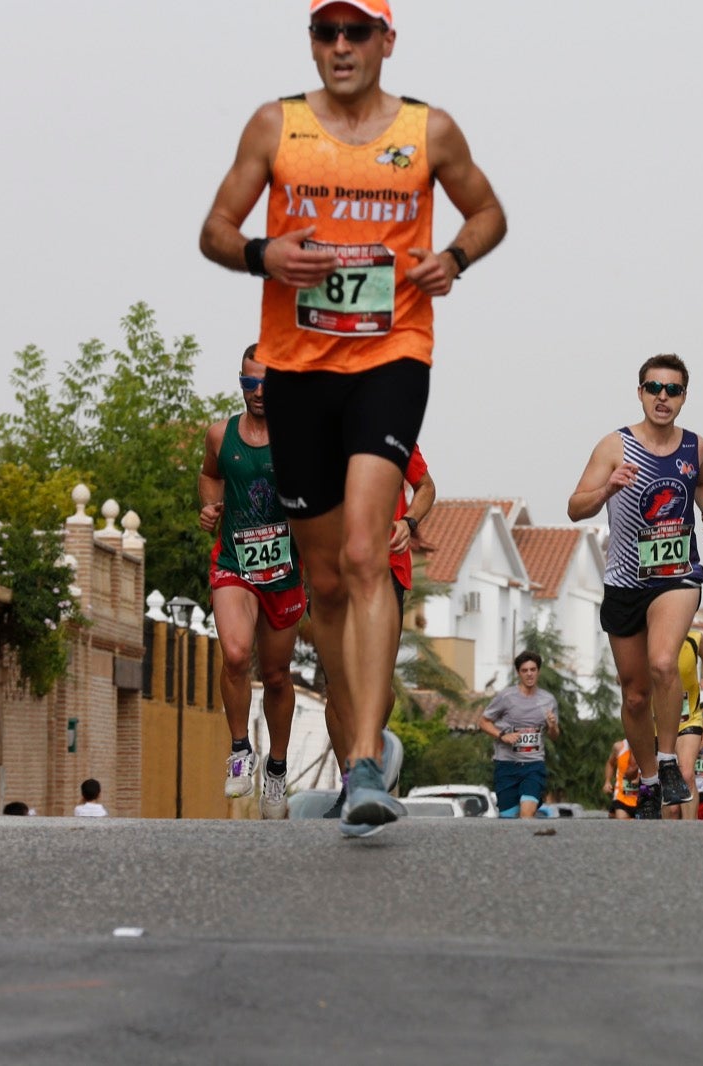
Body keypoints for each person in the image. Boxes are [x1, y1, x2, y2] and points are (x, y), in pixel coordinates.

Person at [199, 0, 506, 837]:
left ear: (385, 42)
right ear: (313, 42)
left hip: (391, 356)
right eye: (326, 32)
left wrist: (453, 258)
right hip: (297, 369)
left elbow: (489, 212)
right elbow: (215, 231)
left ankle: (367, 760)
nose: (341, 46)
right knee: (325, 581)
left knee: (370, 553)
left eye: (356, 32)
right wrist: (267, 254)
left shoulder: (428, 130)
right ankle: (353, 752)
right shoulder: (276, 126)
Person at [568, 354, 703, 819]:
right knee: (635, 694)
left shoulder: (695, 448)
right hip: (624, 580)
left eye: (672, 390)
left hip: (676, 575)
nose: (662, 397)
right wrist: (607, 488)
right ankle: (651, 779)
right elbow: (577, 507)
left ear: (683, 398)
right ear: (640, 392)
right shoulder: (614, 446)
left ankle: (671, 759)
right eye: (654, 388)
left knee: (662, 663)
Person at [199, 344, 308, 820]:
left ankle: (277, 770)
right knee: (237, 655)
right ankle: (240, 747)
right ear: (239, 382)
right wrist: (210, 506)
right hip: (235, 563)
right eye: (250, 383)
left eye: (267, 383)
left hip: (284, 571)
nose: (259, 392)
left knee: (278, 675)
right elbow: (209, 476)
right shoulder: (220, 435)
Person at [318, 439, 433, 830]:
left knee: (378, 688)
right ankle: (353, 783)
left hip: (386, 568)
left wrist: (409, 522)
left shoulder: (391, 431)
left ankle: (367, 758)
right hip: (333, 571)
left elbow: (426, 487)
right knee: (336, 689)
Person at [478, 651, 559, 819]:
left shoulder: (548, 700)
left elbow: (554, 736)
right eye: (525, 670)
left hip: (534, 765)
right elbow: (483, 722)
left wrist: (552, 726)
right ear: (518, 673)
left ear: (538, 671)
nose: (529, 674)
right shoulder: (506, 697)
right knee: (508, 818)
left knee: (527, 812)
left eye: (533, 669)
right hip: (507, 765)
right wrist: (502, 736)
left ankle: (529, 843)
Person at [665, 625, 703, 820]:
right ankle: (664, 833)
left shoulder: (695, 638)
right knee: (666, 785)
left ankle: (690, 830)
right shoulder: (650, 638)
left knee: (687, 775)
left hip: (689, 717)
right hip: (657, 721)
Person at [603, 738, 639, 820]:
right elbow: (610, 763)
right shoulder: (619, 747)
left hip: (643, 797)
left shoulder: (649, 747)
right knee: (622, 822)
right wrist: (607, 781)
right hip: (621, 797)